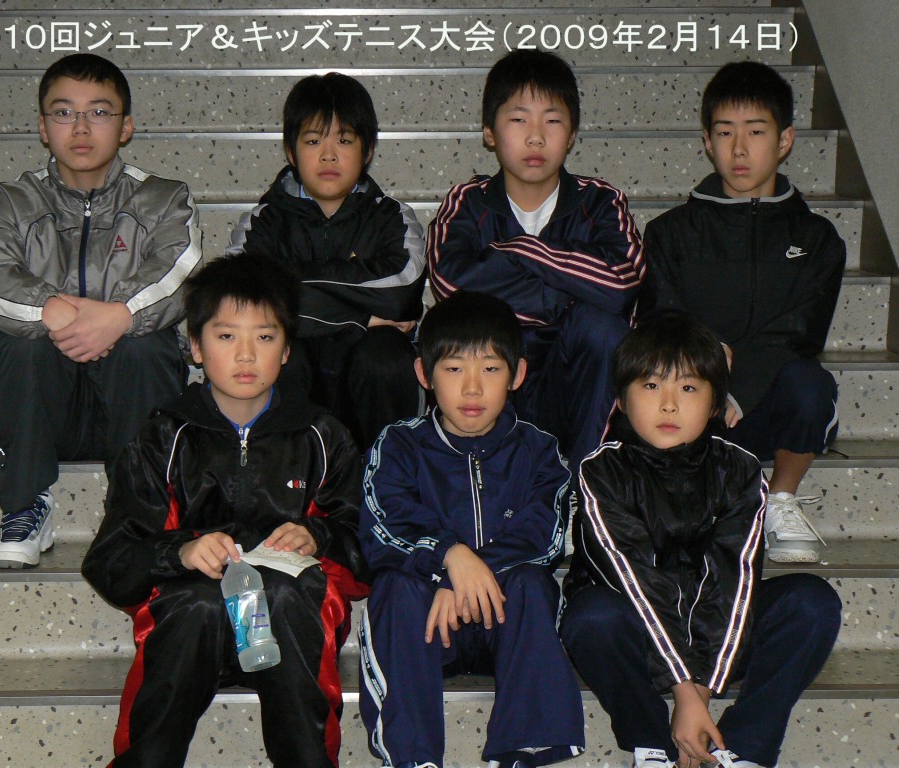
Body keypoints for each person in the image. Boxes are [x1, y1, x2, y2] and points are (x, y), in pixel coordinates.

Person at [82, 253, 369, 768]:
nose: (246, 354)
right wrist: (180, 551)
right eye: (225, 336)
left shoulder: (322, 436)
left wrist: (318, 535)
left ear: (287, 349)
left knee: (284, 595)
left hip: (291, 618)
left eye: (265, 336)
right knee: (197, 604)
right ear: (195, 346)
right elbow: (112, 561)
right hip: (193, 620)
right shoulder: (163, 437)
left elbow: (366, 548)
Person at [559, 313, 841, 768]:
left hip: (718, 638)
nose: (669, 405)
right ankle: (652, 744)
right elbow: (636, 583)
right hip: (639, 636)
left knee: (812, 603)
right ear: (622, 400)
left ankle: (740, 748)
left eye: (688, 388)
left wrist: (702, 694)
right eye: (651, 386)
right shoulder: (601, 471)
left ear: (715, 405)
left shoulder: (740, 469)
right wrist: (683, 693)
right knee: (590, 617)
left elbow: (733, 582)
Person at [0, 53, 203, 569]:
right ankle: (25, 505)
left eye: (98, 112)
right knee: (21, 342)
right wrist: (50, 311)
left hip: (134, 399)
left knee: (147, 343)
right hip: (49, 410)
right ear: (43, 127)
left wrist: (119, 317)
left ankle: (139, 510)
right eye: (63, 112)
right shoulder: (12, 202)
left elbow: (180, 273)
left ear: (125, 127)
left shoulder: (164, 199)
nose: (80, 128)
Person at [358, 291, 585, 768]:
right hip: (427, 625)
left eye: (492, 368)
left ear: (518, 375)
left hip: (505, 623)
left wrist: (469, 571)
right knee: (396, 588)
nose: (473, 388)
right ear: (424, 375)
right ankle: (414, 758)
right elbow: (383, 527)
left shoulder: (540, 450)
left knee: (531, 583)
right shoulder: (398, 445)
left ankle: (524, 751)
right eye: (454, 368)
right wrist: (449, 558)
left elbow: (546, 536)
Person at [639, 61, 845, 563]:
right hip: (693, 403)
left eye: (755, 132)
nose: (739, 149)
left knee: (811, 385)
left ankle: (781, 499)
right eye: (725, 132)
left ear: (784, 139)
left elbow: (802, 331)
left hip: (767, 405)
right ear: (707, 141)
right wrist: (709, 367)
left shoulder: (817, 239)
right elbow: (663, 318)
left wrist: (742, 383)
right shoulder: (670, 233)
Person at [427, 49, 644, 473]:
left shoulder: (600, 201)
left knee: (602, 328)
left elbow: (621, 284)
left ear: (572, 134)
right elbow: (452, 284)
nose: (536, 137)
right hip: (495, 379)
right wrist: (568, 295)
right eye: (518, 119)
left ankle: (584, 483)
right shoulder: (468, 202)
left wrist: (521, 250)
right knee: (471, 337)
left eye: (552, 120)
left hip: (572, 384)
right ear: (489, 132)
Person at [227, 72, 426, 450]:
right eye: (313, 140)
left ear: (368, 151)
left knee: (385, 355)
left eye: (345, 140)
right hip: (297, 387)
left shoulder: (392, 217)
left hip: (368, 386)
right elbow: (247, 301)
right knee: (275, 352)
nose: (329, 154)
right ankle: (284, 483)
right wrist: (360, 317)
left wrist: (289, 289)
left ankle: (386, 477)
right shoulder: (262, 222)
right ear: (291, 151)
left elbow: (400, 296)